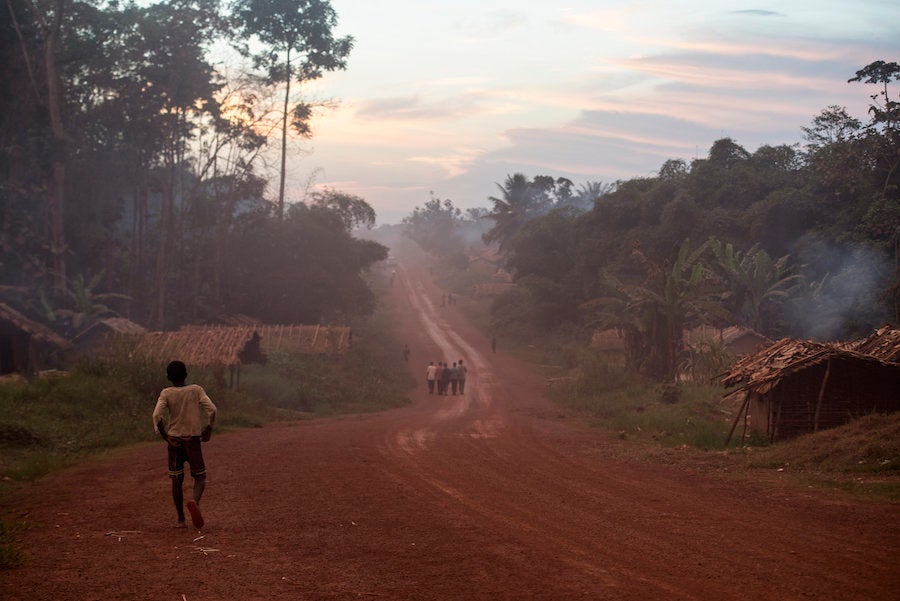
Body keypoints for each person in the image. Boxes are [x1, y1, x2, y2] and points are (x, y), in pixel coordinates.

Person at [152, 360, 217, 530]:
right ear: (186, 374)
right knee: (200, 477)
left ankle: (181, 520)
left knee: (176, 480)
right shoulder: (196, 390)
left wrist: (165, 436)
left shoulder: (166, 393)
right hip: (193, 440)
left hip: (174, 441)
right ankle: (194, 502)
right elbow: (212, 409)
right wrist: (209, 428)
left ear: (168, 377)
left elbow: (156, 415)